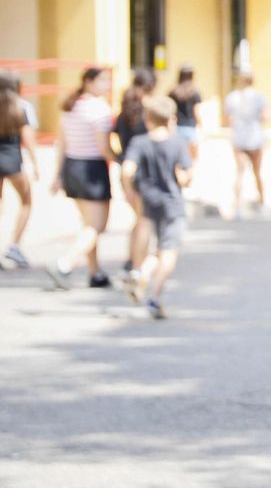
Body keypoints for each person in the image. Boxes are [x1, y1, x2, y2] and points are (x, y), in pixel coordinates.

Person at [121, 96, 193, 319]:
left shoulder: (140, 142)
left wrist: (129, 190)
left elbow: (127, 170)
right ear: (170, 119)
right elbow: (185, 176)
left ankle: (141, 273)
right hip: (172, 203)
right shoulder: (177, 142)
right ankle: (156, 295)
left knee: (155, 248)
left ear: (148, 119)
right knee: (168, 250)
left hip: (149, 201)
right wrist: (184, 179)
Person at [44, 67, 116, 290]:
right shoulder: (99, 109)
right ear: (89, 82)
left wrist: (58, 174)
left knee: (88, 224)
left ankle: (95, 273)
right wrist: (121, 160)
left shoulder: (71, 107)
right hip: (92, 168)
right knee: (97, 226)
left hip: (73, 167)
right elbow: (104, 147)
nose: (107, 86)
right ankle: (65, 264)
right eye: (102, 81)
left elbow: (62, 144)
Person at [113, 67, 156, 278]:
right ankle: (137, 265)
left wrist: (117, 159)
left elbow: (113, 139)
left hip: (126, 171)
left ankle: (133, 259)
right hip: (143, 173)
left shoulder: (124, 112)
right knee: (144, 221)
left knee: (139, 219)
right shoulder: (148, 114)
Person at [0, 71, 39, 270]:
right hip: (12, 161)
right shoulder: (20, 108)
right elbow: (29, 139)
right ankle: (14, 245)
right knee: (26, 201)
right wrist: (35, 163)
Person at [223, 72, 268, 217]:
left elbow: (227, 118)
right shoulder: (258, 97)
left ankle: (237, 208)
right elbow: (265, 117)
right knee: (257, 172)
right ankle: (262, 202)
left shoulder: (232, 97)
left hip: (239, 137)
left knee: (240, 173)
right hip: (255, 136)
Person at [169, 65, 203, 161]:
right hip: (190, 128)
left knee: (177, 159)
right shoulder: (195, 92)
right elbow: (196, 111)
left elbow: (170, 110)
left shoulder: (173, 91)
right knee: (192, 159)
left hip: (176, 127)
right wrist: (200, 124)